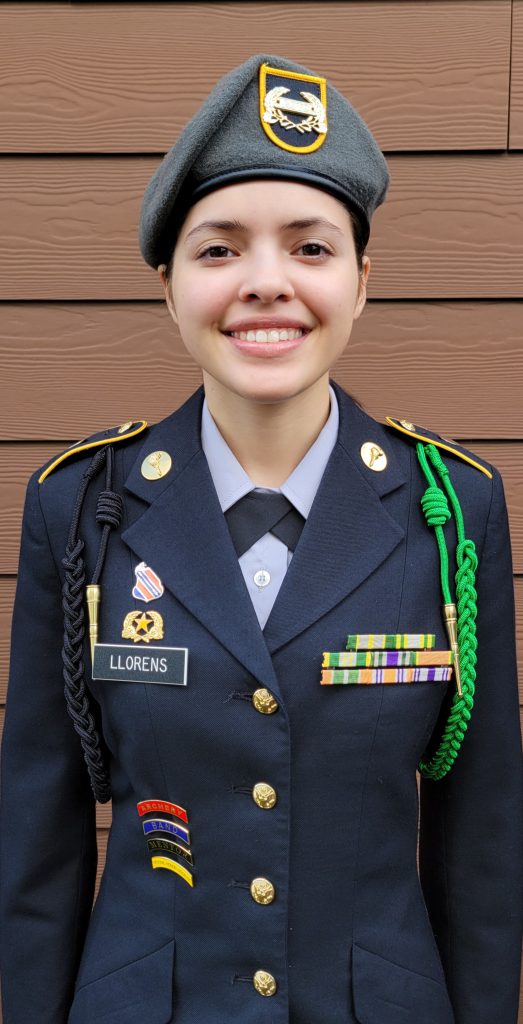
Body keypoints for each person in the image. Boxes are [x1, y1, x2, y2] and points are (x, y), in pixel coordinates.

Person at [0, 53, 521, 1024]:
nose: (266, 283)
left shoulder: (450, 507)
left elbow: (480, 843)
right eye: (219, 249)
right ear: (168, 285)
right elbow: (41, 844)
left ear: (363, 281)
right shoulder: (79, 507)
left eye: (311, 248)